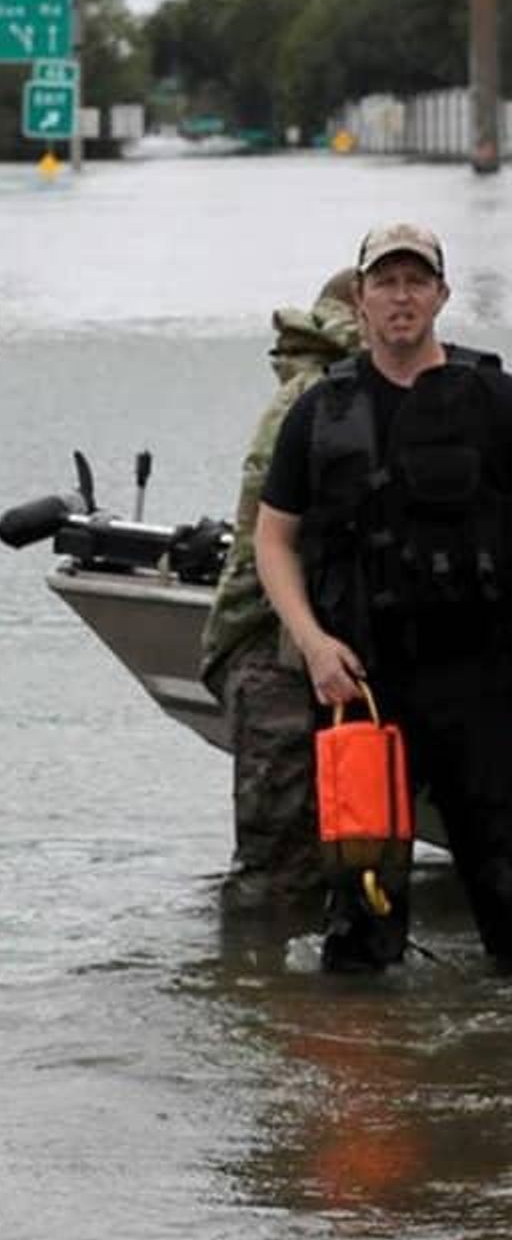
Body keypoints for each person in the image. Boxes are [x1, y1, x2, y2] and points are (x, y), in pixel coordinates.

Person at [256, 221, 512, 973]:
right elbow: (273, 541)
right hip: (362, 684)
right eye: (386, 283)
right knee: (362, 900)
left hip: (483, 680)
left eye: (416, 282)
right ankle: (364, 1037)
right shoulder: (319, 411)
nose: (402, 298)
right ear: (361, 299)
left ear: (441, 295)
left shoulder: (496, 400)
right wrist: (312, 644)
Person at [200, 269, 362, 904]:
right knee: (278, 868)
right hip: (274, 652)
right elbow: (271, 543)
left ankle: (276, 963)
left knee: (343, 850)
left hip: (308, 648)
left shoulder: (335, 392)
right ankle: (261, 959)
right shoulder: (314, 400)